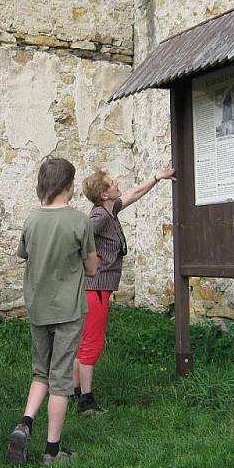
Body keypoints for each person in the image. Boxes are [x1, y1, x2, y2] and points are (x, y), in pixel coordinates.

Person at [6, 157, 98, 467]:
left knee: (39, 372)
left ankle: (25, 423)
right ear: (69, 186)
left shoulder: (32, 220)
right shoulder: (79, 221)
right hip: (68, 310)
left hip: (37, 307)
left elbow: (25, 255)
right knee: (60, 379)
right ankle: (52, 450)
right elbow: (91, 266)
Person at [74, 166, 176, 415]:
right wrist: (88, 260)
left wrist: (156, 177)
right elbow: (74, 238)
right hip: (94, 288)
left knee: (85, 343)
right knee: (92, 344)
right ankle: (86, 402)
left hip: (98, 289)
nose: (116, 183)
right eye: (111, 183)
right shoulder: (98, 218)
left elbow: (133, 194)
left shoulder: (111, 209)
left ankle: (74, 391)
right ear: (104, 195)